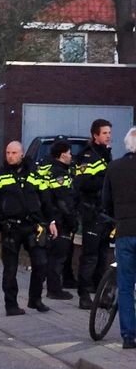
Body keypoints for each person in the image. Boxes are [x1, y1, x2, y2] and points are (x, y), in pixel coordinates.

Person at [0, 141, 52, 316]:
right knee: (10, 269)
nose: (10, 156)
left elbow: (45, 200)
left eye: (14, 153)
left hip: (32, 227)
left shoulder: (34, 174)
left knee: (41, 263)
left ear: (22, 154)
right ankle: (11, 305)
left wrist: (51, 221)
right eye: (7, 153)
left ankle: (35, 299)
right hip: (10, 228)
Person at [101, 127, 136, 350]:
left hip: (124, 231)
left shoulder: (114, 168)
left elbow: (105, 202)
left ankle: (128, 336)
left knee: (125, 285)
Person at [74, 119, 113, 310]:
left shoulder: (105, 154)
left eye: (109, 132)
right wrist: (104, 182)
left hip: (104, 213)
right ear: (95, 135)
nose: (108, 136)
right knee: (90, 255)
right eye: (104, 133)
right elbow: (82, 184)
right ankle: (83, 295)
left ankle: (100, 293)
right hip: (91, 211)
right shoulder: (88, 156)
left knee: (102, 254)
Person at [44, 140, 77, 300]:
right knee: (58, 255)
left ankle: (55, 287)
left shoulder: (58, 170)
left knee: (56, 255)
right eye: (70, 153)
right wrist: (71, 220)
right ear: (63, 154)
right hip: (60, 220)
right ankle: (54, 289)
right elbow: (63, 200)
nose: (71, 156)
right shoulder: (59, 174)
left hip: (57, 218)